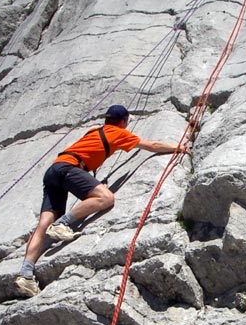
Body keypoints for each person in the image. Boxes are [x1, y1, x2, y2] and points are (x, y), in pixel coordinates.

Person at [15, 104, 190, 297]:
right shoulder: (118, 133)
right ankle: (63, 224)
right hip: (70, 168)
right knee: (105, 197)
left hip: (55, 169)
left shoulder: (94, 131)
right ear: (123, 122)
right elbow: (151, 146)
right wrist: (178, 147)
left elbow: (91, 151)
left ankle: (26, 273)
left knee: (43, 223)